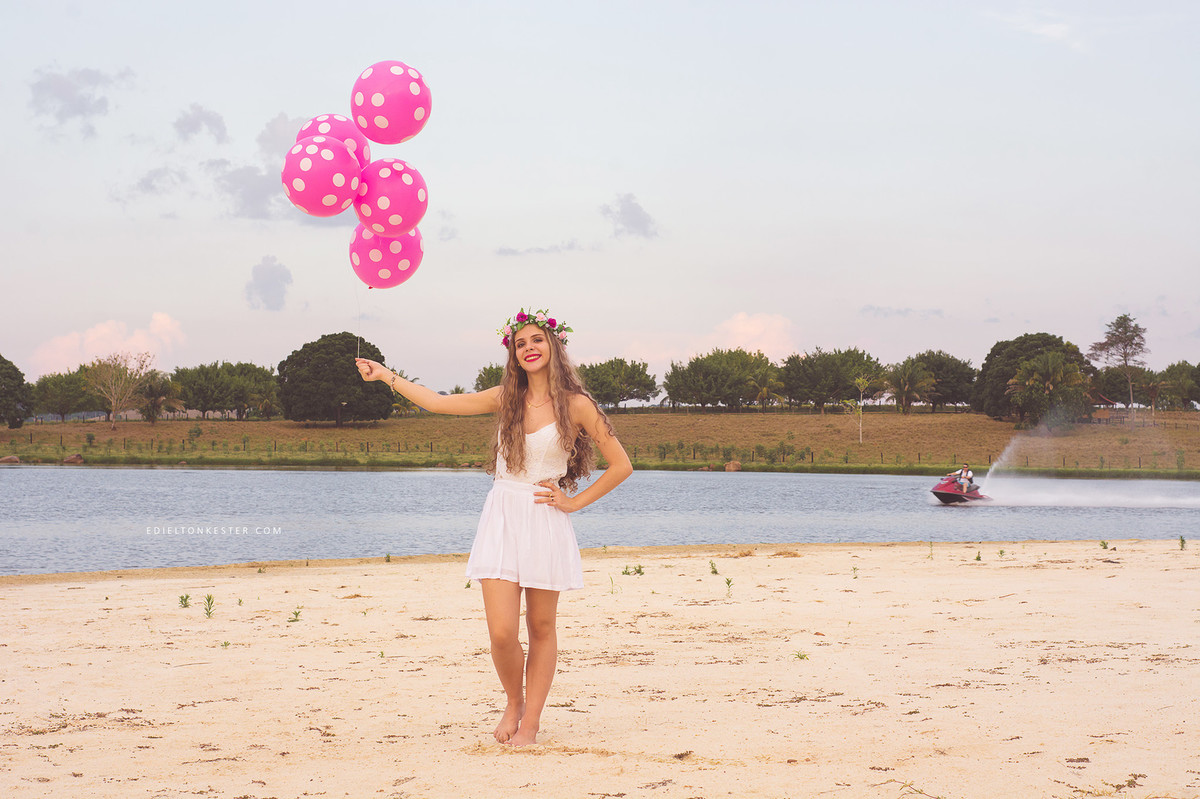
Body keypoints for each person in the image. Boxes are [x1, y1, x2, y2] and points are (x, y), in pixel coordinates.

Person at [354, 308, 632, 747]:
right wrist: (387, 376)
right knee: (502, 631)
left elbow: (621, 465)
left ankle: (532, 721)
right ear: (514, 354)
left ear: (554, 345)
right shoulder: (505, 397)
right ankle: (513, 701)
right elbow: (438, 403)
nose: (529, 348)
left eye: (536, 340)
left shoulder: (578, 405)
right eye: (520, 343)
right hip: (502, 514)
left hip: (544, 516)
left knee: (541, 627)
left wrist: (574, 502)